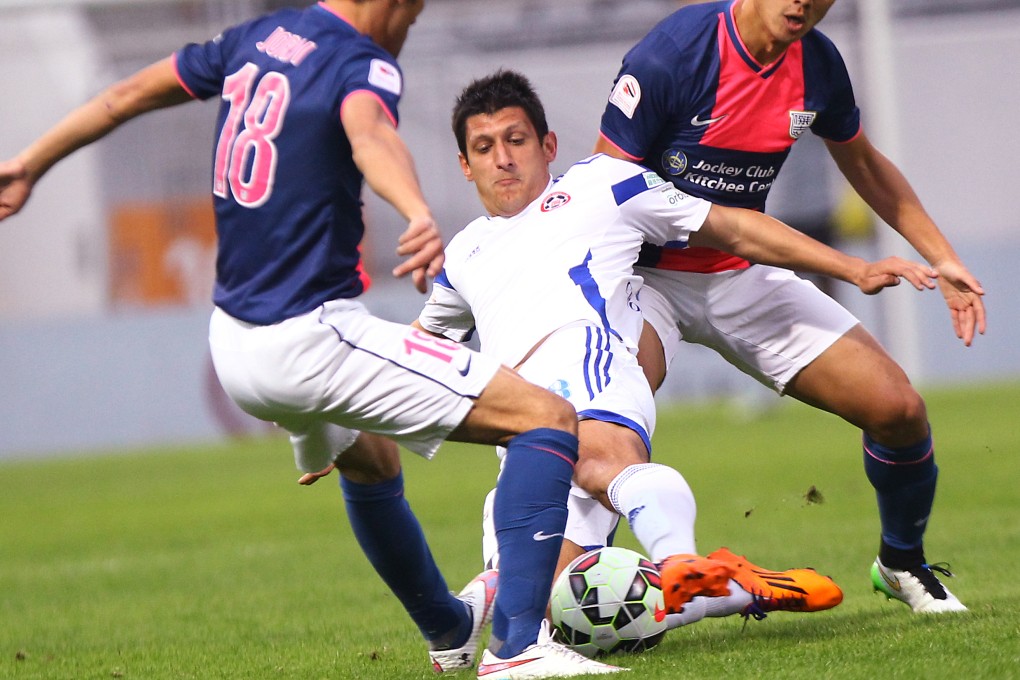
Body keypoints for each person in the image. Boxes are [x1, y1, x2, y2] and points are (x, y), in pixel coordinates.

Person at [0, 2, 608, 677]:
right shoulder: (358, 59)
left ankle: (449, 627)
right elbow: (370, 134)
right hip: (311, 341)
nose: (406, 31)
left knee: (371, 461)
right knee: (545, 419)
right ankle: (518, 650)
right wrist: (416, 211)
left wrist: (30, 162)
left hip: (232, 343)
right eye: (411, 15)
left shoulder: (258, 37)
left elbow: (121, 96)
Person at [421, 68, 935, 661]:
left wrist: (851, 267)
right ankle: (727, 587)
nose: (502, 159)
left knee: (594, 460)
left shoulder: (603, 186)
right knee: (556, 606)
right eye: (484, 148)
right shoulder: (462, 253)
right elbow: (416, 349)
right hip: (513, 418)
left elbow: (730, 225)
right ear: (465, 164)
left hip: (586, 362)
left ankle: (677, 557)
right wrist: (341, 422)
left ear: (548, 145)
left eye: (516, 140)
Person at [594, 0, 985, 614]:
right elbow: (603, 191)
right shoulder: (675, 54)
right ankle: (574, 588)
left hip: (740, 273)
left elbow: (864, 163)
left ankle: (902, 563)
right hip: (646, 280)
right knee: (605, 433)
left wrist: (943, 255)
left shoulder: (818, 66)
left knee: (899, 410)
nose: (802, 2)